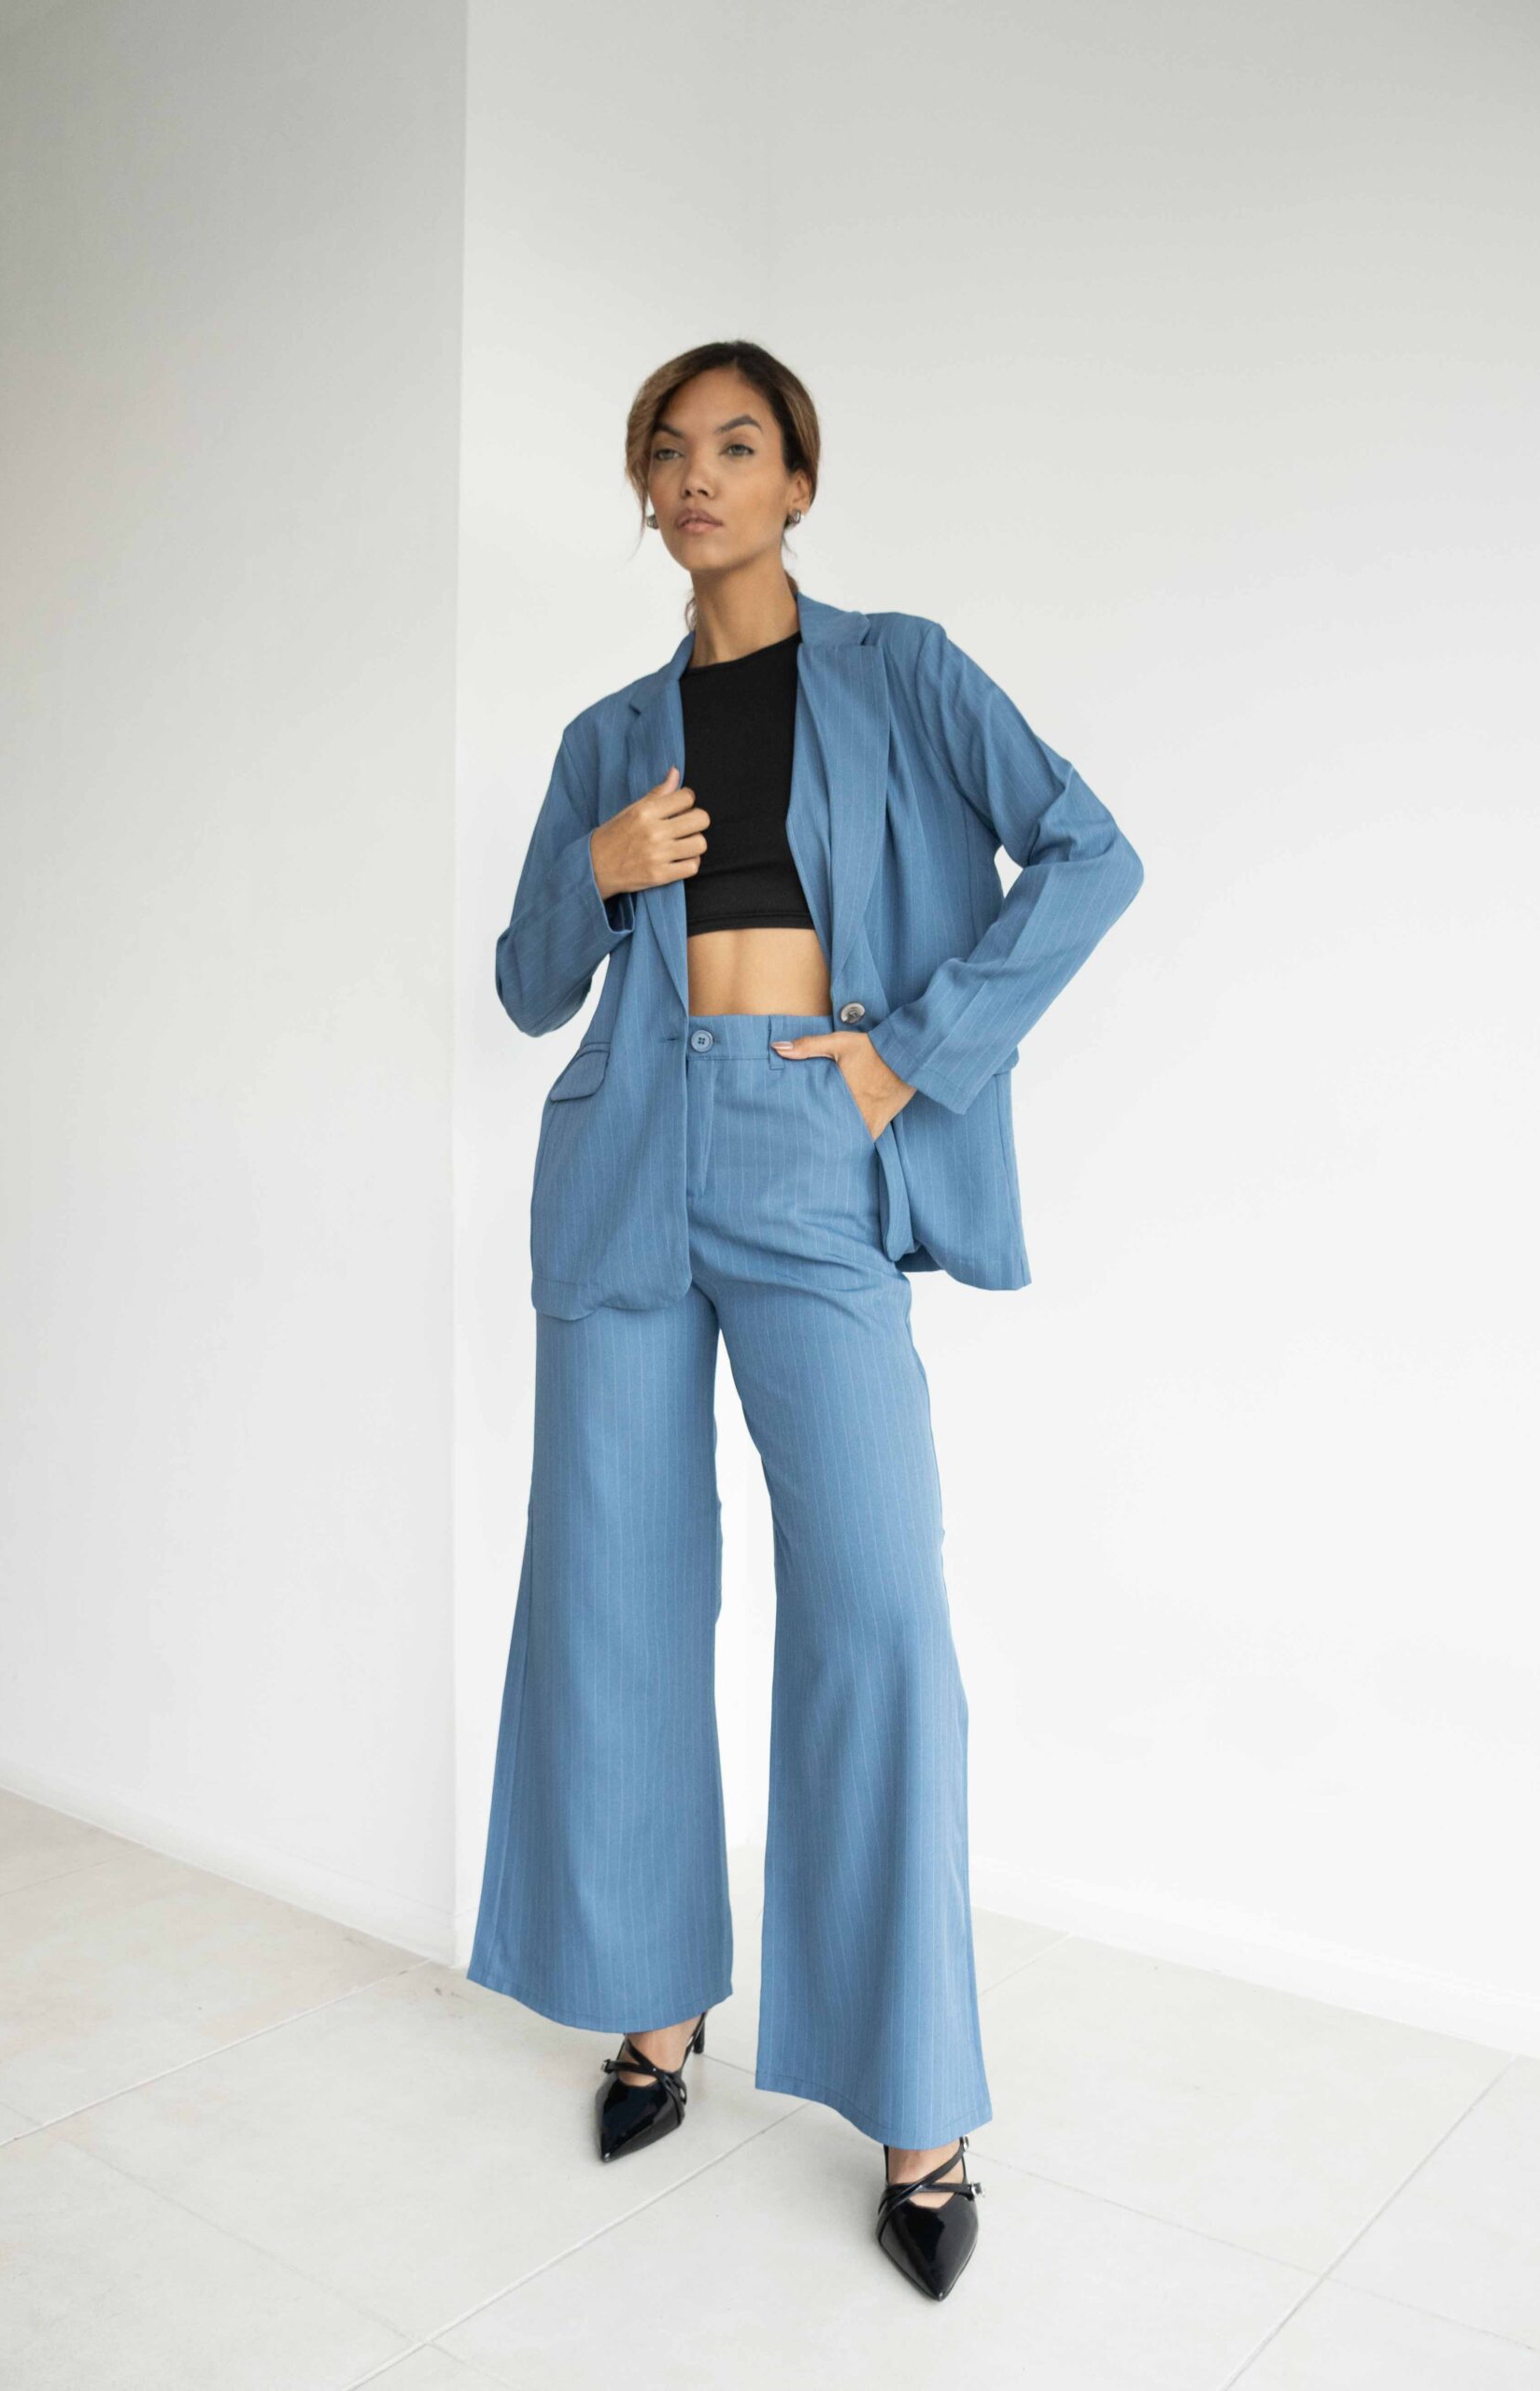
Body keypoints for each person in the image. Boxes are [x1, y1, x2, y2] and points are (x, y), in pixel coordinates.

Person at [467, 339, 1144, 2301]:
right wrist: (597, 874)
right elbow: (525, 983)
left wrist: (909, 1056)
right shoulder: (607, 734)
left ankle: (916, 2102)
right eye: (667, 450)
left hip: (806, 1135)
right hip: (626, 1148)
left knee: (875, 1605)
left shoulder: (902, 670)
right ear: (645, 490)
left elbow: (1088, 850)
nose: (698, 475)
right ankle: (652, 2003)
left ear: (796, 483)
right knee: (612, 1588)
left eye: (736, 444)